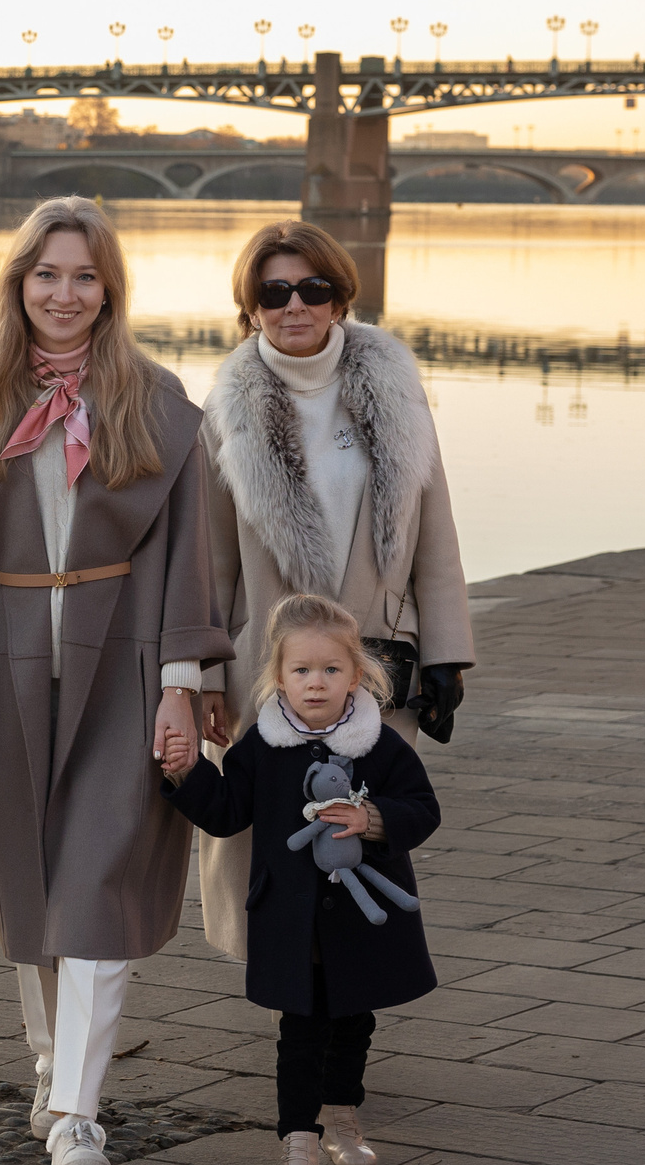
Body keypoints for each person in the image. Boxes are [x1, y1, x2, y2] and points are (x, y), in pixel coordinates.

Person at [0, 197, 231, 1165]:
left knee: (97, 886)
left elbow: (191, 554)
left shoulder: (156, 401)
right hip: (13, 664)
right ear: (18, 284)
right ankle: (49, 1066)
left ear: (109, 291)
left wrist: (184, 685)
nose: (64, 295)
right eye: (47, 275)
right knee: (34, 884)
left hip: (127, 667)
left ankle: (76, 1121)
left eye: (84, 276)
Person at [194, 219, 472, 964]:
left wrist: (446, 653)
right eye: (273, 291)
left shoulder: (395, 387)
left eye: (313, 288)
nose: (295, 305)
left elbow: (435, 529)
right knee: (269, 833)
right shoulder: (224, 414)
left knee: (363, 821)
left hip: (375, 657)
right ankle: (285, 984)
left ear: (340, 298)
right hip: (269, 663)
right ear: (250, 306)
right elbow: (208, 564)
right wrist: (208, 678)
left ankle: (353, 991)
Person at [159, 593, 440, 1165]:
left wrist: (372, 820)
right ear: (279, 676)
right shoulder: (262, 747)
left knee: (354, 1021)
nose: (316, 683)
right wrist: (187, 771)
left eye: (331, 669)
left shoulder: (379, 744)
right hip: (291, 920)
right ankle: (298, 1143)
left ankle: (341, 1117)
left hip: (360, 920)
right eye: (302, 670)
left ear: (356, 676)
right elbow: (226, 812)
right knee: (300, 1030)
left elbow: (423, 808)